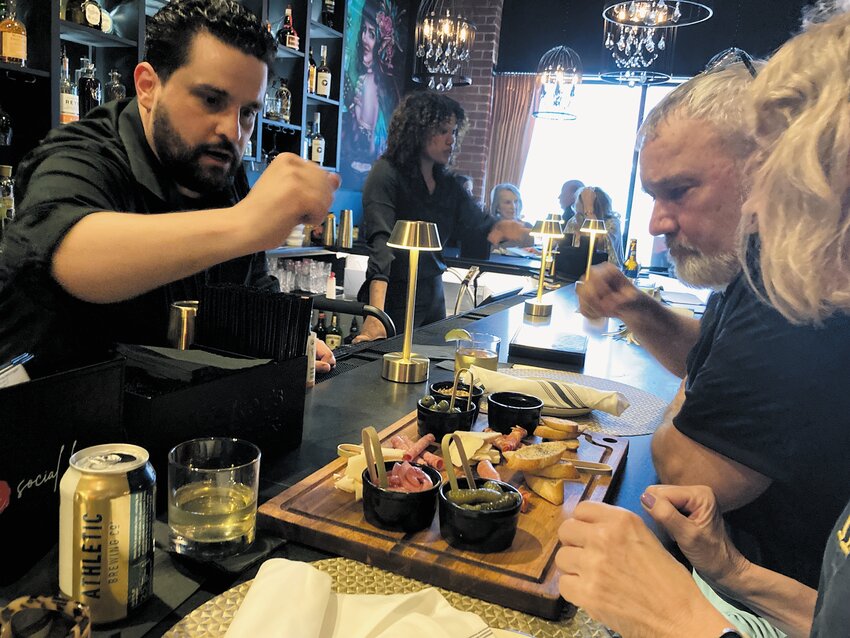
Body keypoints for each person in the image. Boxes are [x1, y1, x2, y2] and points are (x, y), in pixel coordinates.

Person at [557, 10, 850, 637]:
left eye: (680, 190)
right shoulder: (758, 270)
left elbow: (688, 469)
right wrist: (638, 309)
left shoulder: (793, 289)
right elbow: (711, 365)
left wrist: (685, 620)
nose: (762, 201)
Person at [0, 0, 340, 375]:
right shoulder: (80, 154)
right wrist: (245, 224)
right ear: (148, 86)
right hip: (57, 417)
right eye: (211, 100)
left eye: (247, 112)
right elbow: (71, 254)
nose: (232, 131)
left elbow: (250, 286)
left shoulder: (219, 169)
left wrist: (291, 337)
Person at [353, 91, 528, 341]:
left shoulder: (446, 183)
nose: (451, 140)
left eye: (454, 132)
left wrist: (518, 232)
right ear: (418, 131)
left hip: (432, 291)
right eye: (443, 131)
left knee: (430, 364)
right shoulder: (386, 174)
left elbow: (483, 225)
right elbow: (382, 245)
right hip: (395, 294)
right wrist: (376, 316)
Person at [341, 0, 403, 186]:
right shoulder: (383, 83)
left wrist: (356, 117)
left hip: (359, 175)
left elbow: (368, 145)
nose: (364, 39)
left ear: (381, 43)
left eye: (372, 34)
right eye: (363, 30)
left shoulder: (371, 81)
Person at [563, 186, 624, 269]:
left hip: (606, 275)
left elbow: (596, 243)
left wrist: (589, 208)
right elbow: (563, 249)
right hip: (575, 271)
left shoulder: (612, 223)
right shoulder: (576, 220)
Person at [489, 183, 533, 249]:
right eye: (507, 202)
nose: (513, 207)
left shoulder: (528, 227)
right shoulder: (489, 227)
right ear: (497, 207)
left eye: (516, 201)